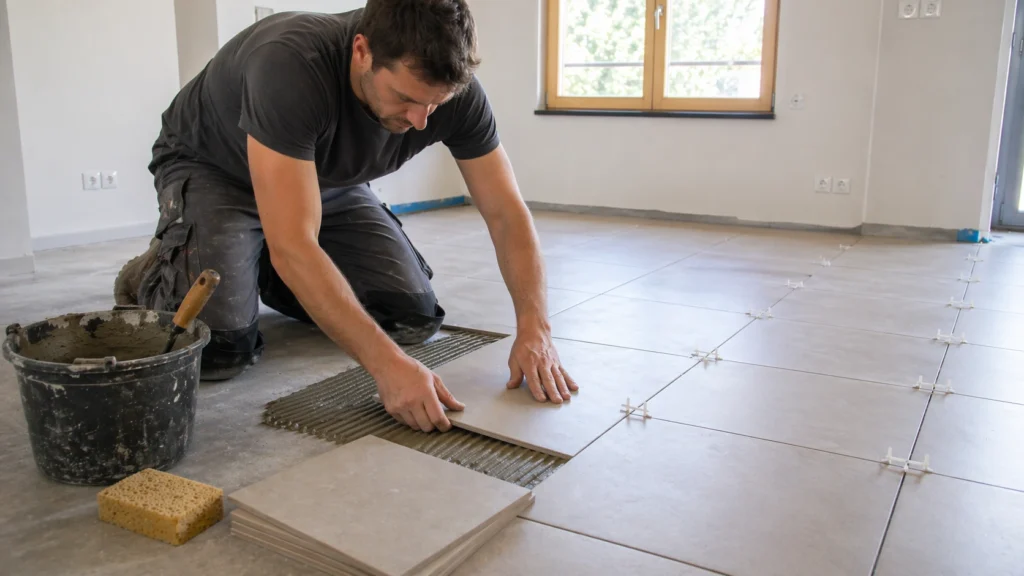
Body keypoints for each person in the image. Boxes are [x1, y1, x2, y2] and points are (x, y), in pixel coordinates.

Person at [113, 0, 577, 433]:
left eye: (433, 105)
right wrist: (388, 369)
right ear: (362, 52)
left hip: (321, 181)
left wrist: (535, 328)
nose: (420, 120)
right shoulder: (290, 65)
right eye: (405, 99)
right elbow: (295, 243)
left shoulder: (453, 94)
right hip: (217, 169)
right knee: (217, 350)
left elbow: (506, 213)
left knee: (409, 317)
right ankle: (156, 273)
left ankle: (259, 257)